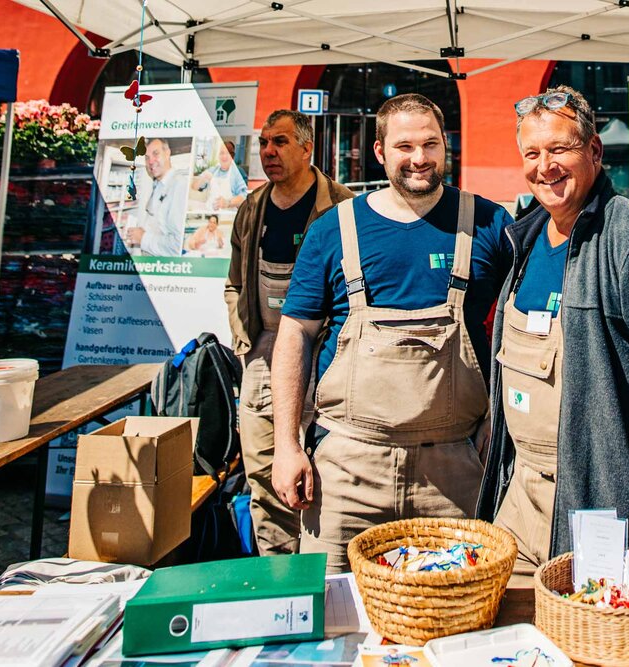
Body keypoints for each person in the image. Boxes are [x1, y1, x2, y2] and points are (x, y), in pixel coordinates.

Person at [476, 86, 629, 583]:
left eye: (559, 150)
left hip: (603, 509)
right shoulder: (523, 241)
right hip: (520, 498)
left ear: (593, 151)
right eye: (532, 153)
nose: (544, 166)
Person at [270, 93, 513, 572]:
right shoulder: (333, 230)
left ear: (447, 147)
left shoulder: (488, 225)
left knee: (458, 615)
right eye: (404, 146)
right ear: (380, 152)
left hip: (456, 470)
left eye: (430, 144)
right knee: (334, 615)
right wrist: (286, 445)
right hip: (346, 472)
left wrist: (498, 424)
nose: (419, 158)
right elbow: (294, 334)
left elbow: (518, 332)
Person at [225, 109, 355, 555]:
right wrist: (244, 338)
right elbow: (234, 284)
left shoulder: (342, 206)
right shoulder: (252, 208)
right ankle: (278, 576)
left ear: (307, 148)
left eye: (279, 142)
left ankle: (322, 566)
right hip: (262, 356)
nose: (268, 152)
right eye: (263, 143)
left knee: (324, 471)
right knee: (264, 474)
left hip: (324, 357)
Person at [127, 138, 188, 256]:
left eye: (155, 154)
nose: (150, 161)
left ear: (167, 153)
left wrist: (143, 238)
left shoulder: (179, 185)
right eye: (147, 157)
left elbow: (178, 244)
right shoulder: (159, 184)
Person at [192, 139, 249, 211]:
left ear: (233, 156)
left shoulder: (238, 172)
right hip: (210, 210)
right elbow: (194, 187)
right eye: (222, 153)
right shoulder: (213, 170)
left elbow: (245, 197)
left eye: (228, 153)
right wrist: (202, 179)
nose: (224, 156)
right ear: (218, 155)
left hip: (228, 213)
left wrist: (227, 203)